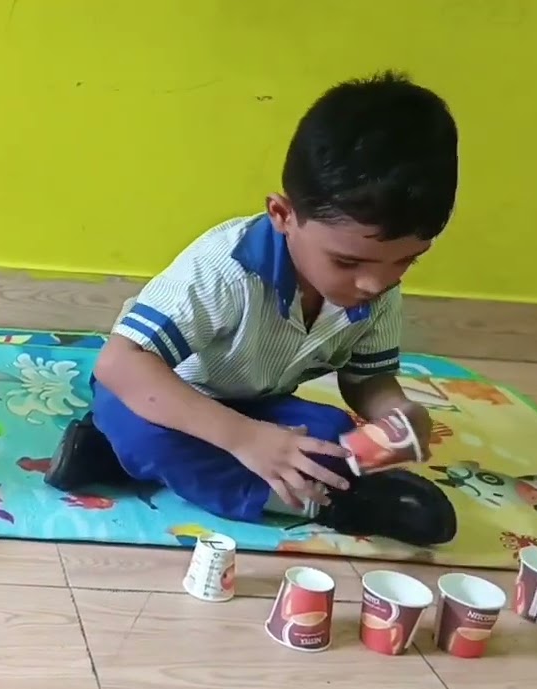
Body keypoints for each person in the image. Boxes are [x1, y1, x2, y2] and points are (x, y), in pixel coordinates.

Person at [44, 71, 460, 547]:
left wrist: (397, 412)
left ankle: (109, 457)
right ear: (283, 215)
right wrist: (244, 439)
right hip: (158, 391)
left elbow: (367, 380)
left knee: (333, 433)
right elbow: (120, 364)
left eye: (407, 260)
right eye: (346, 262)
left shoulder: (377, 284)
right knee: (145, 433)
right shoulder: (225, 268)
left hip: (254, 402)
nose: (375, 283)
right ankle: (328, 504)